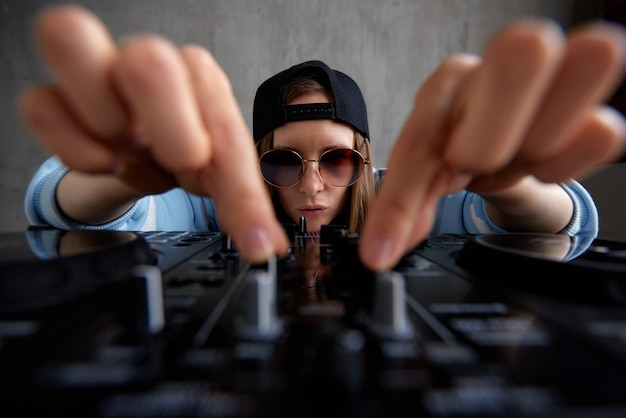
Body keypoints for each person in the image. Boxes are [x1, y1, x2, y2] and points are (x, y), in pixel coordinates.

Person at [21, 5, 626, 272]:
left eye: (336, 159)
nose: (312, 185)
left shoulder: (406, 201)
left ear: (364, 160)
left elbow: (554, 224)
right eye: (283, 162)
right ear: (254, 163)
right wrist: (125, 176)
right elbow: (90, 212)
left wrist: (510, 178)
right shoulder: (211, 206)